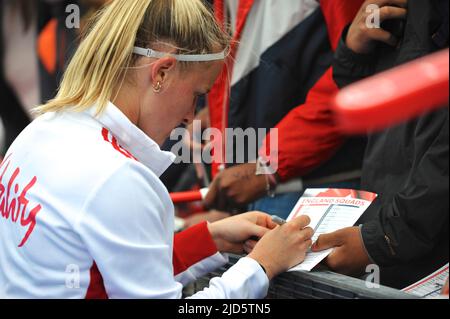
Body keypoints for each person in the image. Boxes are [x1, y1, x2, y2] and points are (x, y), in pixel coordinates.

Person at [0, 0, 314, 299]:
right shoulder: (117, 177)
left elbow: (115, 271)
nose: (192, 116)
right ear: (161, 73)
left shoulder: (40, 131)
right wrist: (262, 266)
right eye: (197, 95)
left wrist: (211, 239)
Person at [312, 0, 449, 289]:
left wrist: (384, 238)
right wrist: (354, 50)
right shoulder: (399, 14)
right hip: (384, 225)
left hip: (423, 246)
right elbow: (370, 105)